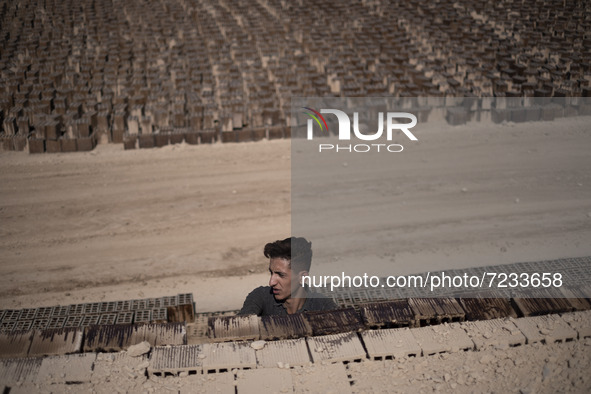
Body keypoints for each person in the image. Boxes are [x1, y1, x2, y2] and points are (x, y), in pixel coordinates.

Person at [238, 237, 337, 316]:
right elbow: (240, 325)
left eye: (280, 275)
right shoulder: (260, 297)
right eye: (271, 273)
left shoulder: (322, 306)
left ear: (302, 277)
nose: (271, 282)